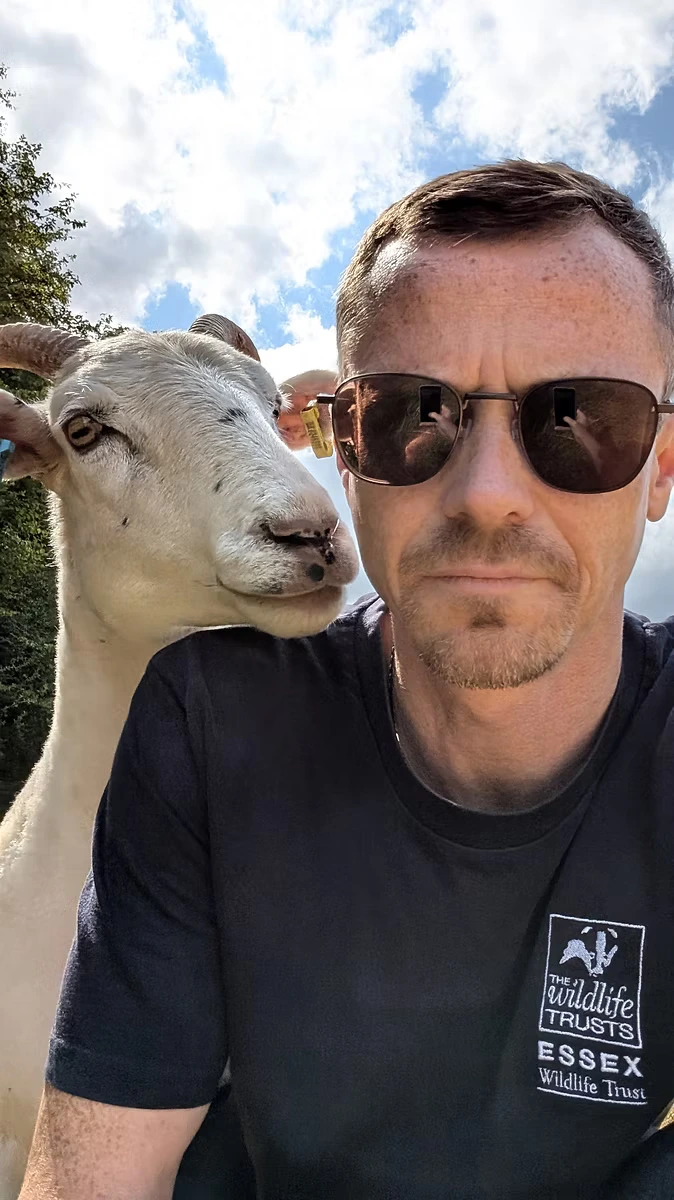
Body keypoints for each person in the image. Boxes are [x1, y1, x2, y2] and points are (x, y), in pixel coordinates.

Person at [18, 160, 674, 1200]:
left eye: (580, 418)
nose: (490, 494)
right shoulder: (209, 723)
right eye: (412, 414)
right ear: (342, 444)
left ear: (661, 467)